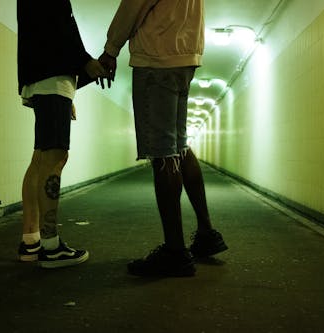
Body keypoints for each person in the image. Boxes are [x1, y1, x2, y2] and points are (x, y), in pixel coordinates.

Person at [99, 0, 228, 277]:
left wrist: (110, 49)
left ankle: (175, 251)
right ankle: (205, 234)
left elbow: (134, 4)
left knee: (163, 153)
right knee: (179, 147)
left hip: (157, 59)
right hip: (185, 59)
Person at [16, 0, 109, 268]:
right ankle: (51, 246)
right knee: (56, 156)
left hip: (40, 77)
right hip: (53, 77)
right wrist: (83, 61)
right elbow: (60, 24)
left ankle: (31, 239)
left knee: (41, 157)